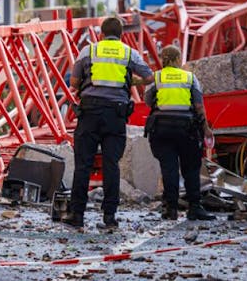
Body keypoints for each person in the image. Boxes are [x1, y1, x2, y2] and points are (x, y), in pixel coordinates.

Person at [63, 16, 155, 229]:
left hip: (90, 113)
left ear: (101, 34)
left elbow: (74, 82)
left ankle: (77, 215)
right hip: (116, 115)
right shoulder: (128, 53)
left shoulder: (89, 51)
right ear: (121, 35)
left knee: (83, 165)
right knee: (111, 165)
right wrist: (129, 80)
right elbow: (149, 77)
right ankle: (109, 217)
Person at [143, 44, 214, 221]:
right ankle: (195, 208)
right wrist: (205, 129)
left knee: (169, 168)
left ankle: (171, 209)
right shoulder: (190, 78)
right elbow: (198, 106)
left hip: (161, 128)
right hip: (187, 129)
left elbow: (148, 100)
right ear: (177, 59)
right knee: (191, 168)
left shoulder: (156, 78)